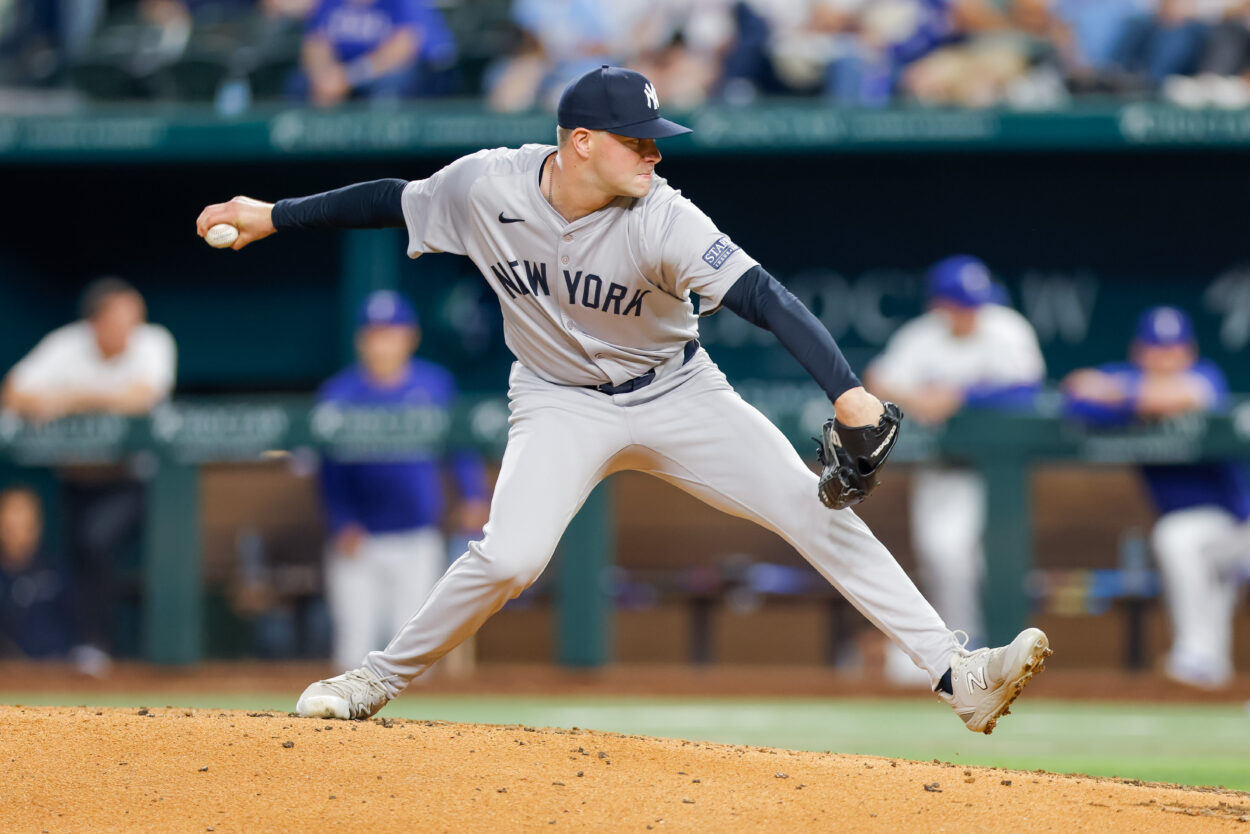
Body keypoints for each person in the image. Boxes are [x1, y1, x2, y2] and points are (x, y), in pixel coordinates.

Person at [197, 64, 1051, 732]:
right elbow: (389, 201)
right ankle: (373, 680)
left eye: (655, 140)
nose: (655, 154)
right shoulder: (486, 185)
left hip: (679, 392)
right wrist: (276, 213)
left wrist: (851, 395)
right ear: (576, 142)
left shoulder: (663, 215)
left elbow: (767, 298)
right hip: (558, 401)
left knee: (812, 509)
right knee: (507, 560)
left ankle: (957, 674)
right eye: (636, 141)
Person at [865, 256, 1046, 684]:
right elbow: (877, 379)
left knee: (977, 557)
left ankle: (984, 648)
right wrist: (917, 397)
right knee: (940, 553)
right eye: (960, 304)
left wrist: (960, 396)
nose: (970, 313)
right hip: (942, 467)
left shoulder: (1006, 327)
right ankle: (955, 651)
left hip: (1000, 473)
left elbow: (1028, 389)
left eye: (975, 303)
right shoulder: (921, 337)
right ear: (939, 305)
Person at [1062, 305, 1249, 689]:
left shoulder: (1206, 376)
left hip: (1238, 520)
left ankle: (1199, 657)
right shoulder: (1130, 379)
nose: (1165, 358)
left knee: (1177, 538)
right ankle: (1205, 672)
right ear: (1138, 352)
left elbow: (1182, 397)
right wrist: (1129, 394)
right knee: (1191, 552)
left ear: (1190, 352)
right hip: (1213, 533)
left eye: (1174, 349)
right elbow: (1076, 390)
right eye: (1155, 349)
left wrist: (1120, 397)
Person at [1, 276, 177, 672]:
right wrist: (66, 400)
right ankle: (84, 647)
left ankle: (103, 645)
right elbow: (12, 391)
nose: (131, 329)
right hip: (76, 479)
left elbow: (144, 395)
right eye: (120, 320)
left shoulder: (153, 341)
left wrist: (68, 400)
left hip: (135, 480)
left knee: (95, 540)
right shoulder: (68, 344)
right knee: (74, 552)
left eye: (135, 319)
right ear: (95, 323)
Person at [318, 289, 490, 671]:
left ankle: (408, 734)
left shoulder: (434, 385)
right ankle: (341, 734)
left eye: (390, 332)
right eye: (374, 334)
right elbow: (327, 471)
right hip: (358, 541)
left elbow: (460, 447)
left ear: (409, 336)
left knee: (413, 652)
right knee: (353, 648)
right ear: (361, 340)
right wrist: (341, 521)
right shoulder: (338, 394)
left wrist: (474, 495)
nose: (382, 343)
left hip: (418, 534)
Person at [293, 0, 458, 107]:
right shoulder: (329, 3)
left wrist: (350, 77)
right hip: (341, 73)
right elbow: (316, 42)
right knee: (299, 82)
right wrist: (324, 77)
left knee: (390, 86)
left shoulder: (401, 3)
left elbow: (404, 46)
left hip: (386, 72)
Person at [0, 486, 79, 661]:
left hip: (58, 670)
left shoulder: (55, 571)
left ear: (38, 527)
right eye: (11, 529)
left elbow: (76, 625)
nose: (20, 538)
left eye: (26, 528)